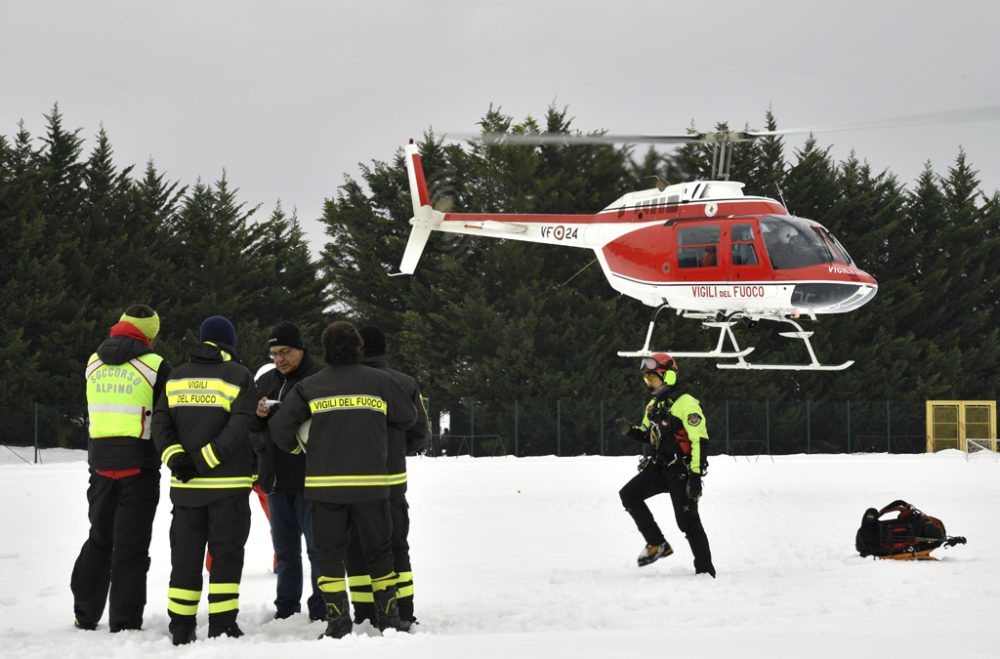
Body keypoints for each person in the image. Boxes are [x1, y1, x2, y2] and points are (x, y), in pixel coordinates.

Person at [269, 321, 417, 639]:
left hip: (326, 488)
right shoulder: (380, 381)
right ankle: (389, 619)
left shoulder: (311, 385)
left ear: (324, 349)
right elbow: (407, 417)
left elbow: (280, 429)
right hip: (372, 485)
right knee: (379, 552)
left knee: (330, 556)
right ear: (358, 347)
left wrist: (303, 447)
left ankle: (338, 622)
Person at [152, 315, 257, 645]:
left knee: (184, 557)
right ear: (230, 343)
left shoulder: (177, 375)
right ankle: (223, 624)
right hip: (228, 487)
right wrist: (204, 461)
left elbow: (160, 425)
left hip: (185, 489)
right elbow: (239, 428)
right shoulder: (239, 375)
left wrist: (177, 460)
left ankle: (181, 627)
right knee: (226, 556)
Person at [71, 305, 171, 632]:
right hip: (138, 466)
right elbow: (166, 417)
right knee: (131, 545)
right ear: (151, 333)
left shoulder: (93, 360)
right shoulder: (156, 365)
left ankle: (85, 613)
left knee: (99, 538)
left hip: (99, 464)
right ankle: (125, 621)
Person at [344, 326, 430, 626]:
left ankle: (365, 612)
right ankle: (404, 609)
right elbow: (420, 433)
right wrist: (395, 450)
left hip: (351, 482)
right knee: (397, 547)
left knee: (355, 548)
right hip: (392, 482)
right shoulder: (404, 382)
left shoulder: (344, 382)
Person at [614, 353, 715, 577]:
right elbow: (648, 435)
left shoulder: (686, 403)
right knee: (629, 495)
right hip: (660, 469)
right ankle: (657, 543)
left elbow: (700, 440)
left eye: (653, 377)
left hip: (682, 472)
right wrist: (630, 431)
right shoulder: (653, 405)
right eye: (647, 378)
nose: (649, 382)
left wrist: (696, 476)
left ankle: (705, 571)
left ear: (668, 376)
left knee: (687, 522)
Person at [251, 321, 325, 621]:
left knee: (318, 550)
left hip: (312, 479)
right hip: (277, 480)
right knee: (285, 552)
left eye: (285, 352)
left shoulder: (319, 376)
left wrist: (288, 414)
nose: (279, 359)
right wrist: (258, 416)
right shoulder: (267, 380)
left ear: (300, 349)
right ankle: (286, 609)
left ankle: (321, 608)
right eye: (274, 354)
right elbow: (251, 428)